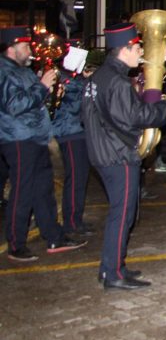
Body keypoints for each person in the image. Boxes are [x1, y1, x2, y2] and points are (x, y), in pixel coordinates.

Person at [82, 23, 166, 289]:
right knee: (123, 215)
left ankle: (114, 266)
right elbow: (135, 118)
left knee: (120, 213)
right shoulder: (118, 81)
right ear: (126, 49)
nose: (142, 51)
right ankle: (113, 273)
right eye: (138, 47)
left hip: (103, 153)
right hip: (117, 156)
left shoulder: (98, 77)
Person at [1, 26, 87, 262]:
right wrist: (41, 86)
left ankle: (53, 236)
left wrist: (50, 89)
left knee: (43, 189)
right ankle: (16, 244)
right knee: (22, 191)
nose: (30, 51)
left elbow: (35, 98)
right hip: (18, 138)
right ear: (12, 47)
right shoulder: (4, 71)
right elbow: (15, 105)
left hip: (35, 136)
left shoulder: (22, 70)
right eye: (26, 46)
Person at [52, 59, 96, 238]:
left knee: (81, 178)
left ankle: (76, 219)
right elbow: (76, 104)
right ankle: (71, 222)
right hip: (69, 132)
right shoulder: (62, 79)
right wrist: (86, 82)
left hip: (78, 131)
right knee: (76, 177)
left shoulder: (72, 78)